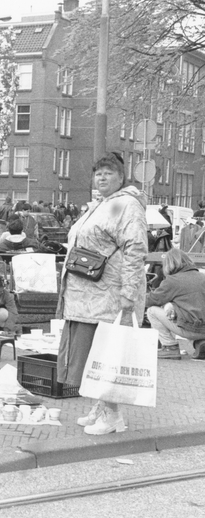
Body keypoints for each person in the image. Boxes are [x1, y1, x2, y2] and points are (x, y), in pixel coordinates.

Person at [57, 152, 147, 436]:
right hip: (87, 295)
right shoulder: (103, 205)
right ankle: (101, 406)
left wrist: (129, 291)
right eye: (98, 173)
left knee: (107, 353)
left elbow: (135, 247)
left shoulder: (126, 205)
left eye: (109, 173)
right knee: (93, 353)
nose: (102, 177)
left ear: (121, 178)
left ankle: (113, 414)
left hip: (108, 295)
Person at [145, 249, 205, 360]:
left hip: (190, 329)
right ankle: (201, 342)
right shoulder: (202, 277)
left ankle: (169, 346)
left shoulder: (172, 280)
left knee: (152, 311)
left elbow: (152, 300)